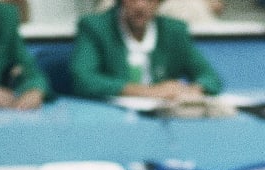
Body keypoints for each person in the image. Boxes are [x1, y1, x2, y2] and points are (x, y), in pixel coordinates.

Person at [70, 0, 223, 101]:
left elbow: (210, 77)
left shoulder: (174, 30)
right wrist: (149, 91)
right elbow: (82, 79)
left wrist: (192, 90)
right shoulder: (96, 27)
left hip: (163, 119)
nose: (140, 6)